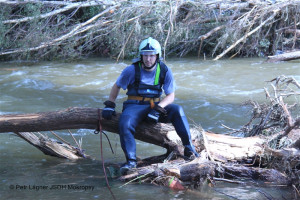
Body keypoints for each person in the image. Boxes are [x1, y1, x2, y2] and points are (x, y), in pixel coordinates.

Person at [102, 37, 199, 175]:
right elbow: (117, 86)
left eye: (151, 55)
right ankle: (131, 162)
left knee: (177, 110)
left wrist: (159, 108)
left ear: (157, 56)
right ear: (141, 55)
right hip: (134, 106)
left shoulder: (164, 70)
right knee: (125, 123)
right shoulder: (131, 70)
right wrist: (110, 104)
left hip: (155, 106)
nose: (148, 59)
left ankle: (189, 148)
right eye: (145, 55)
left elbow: (170, 96)